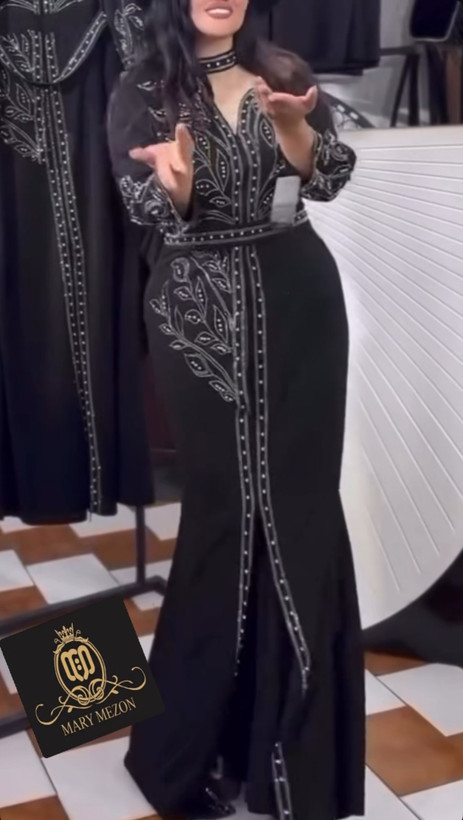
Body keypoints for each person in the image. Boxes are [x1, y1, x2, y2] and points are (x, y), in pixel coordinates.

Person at [107, 1, 365, 819]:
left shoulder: (283, 72)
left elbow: (329, 177)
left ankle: (291, 763)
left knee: (300, 511)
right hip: (196, 316)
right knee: (224, 515)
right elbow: (144, 209)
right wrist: (178, 188)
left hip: (300, 306)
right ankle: (181, 755)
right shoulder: (141, 86)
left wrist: (294, 129)